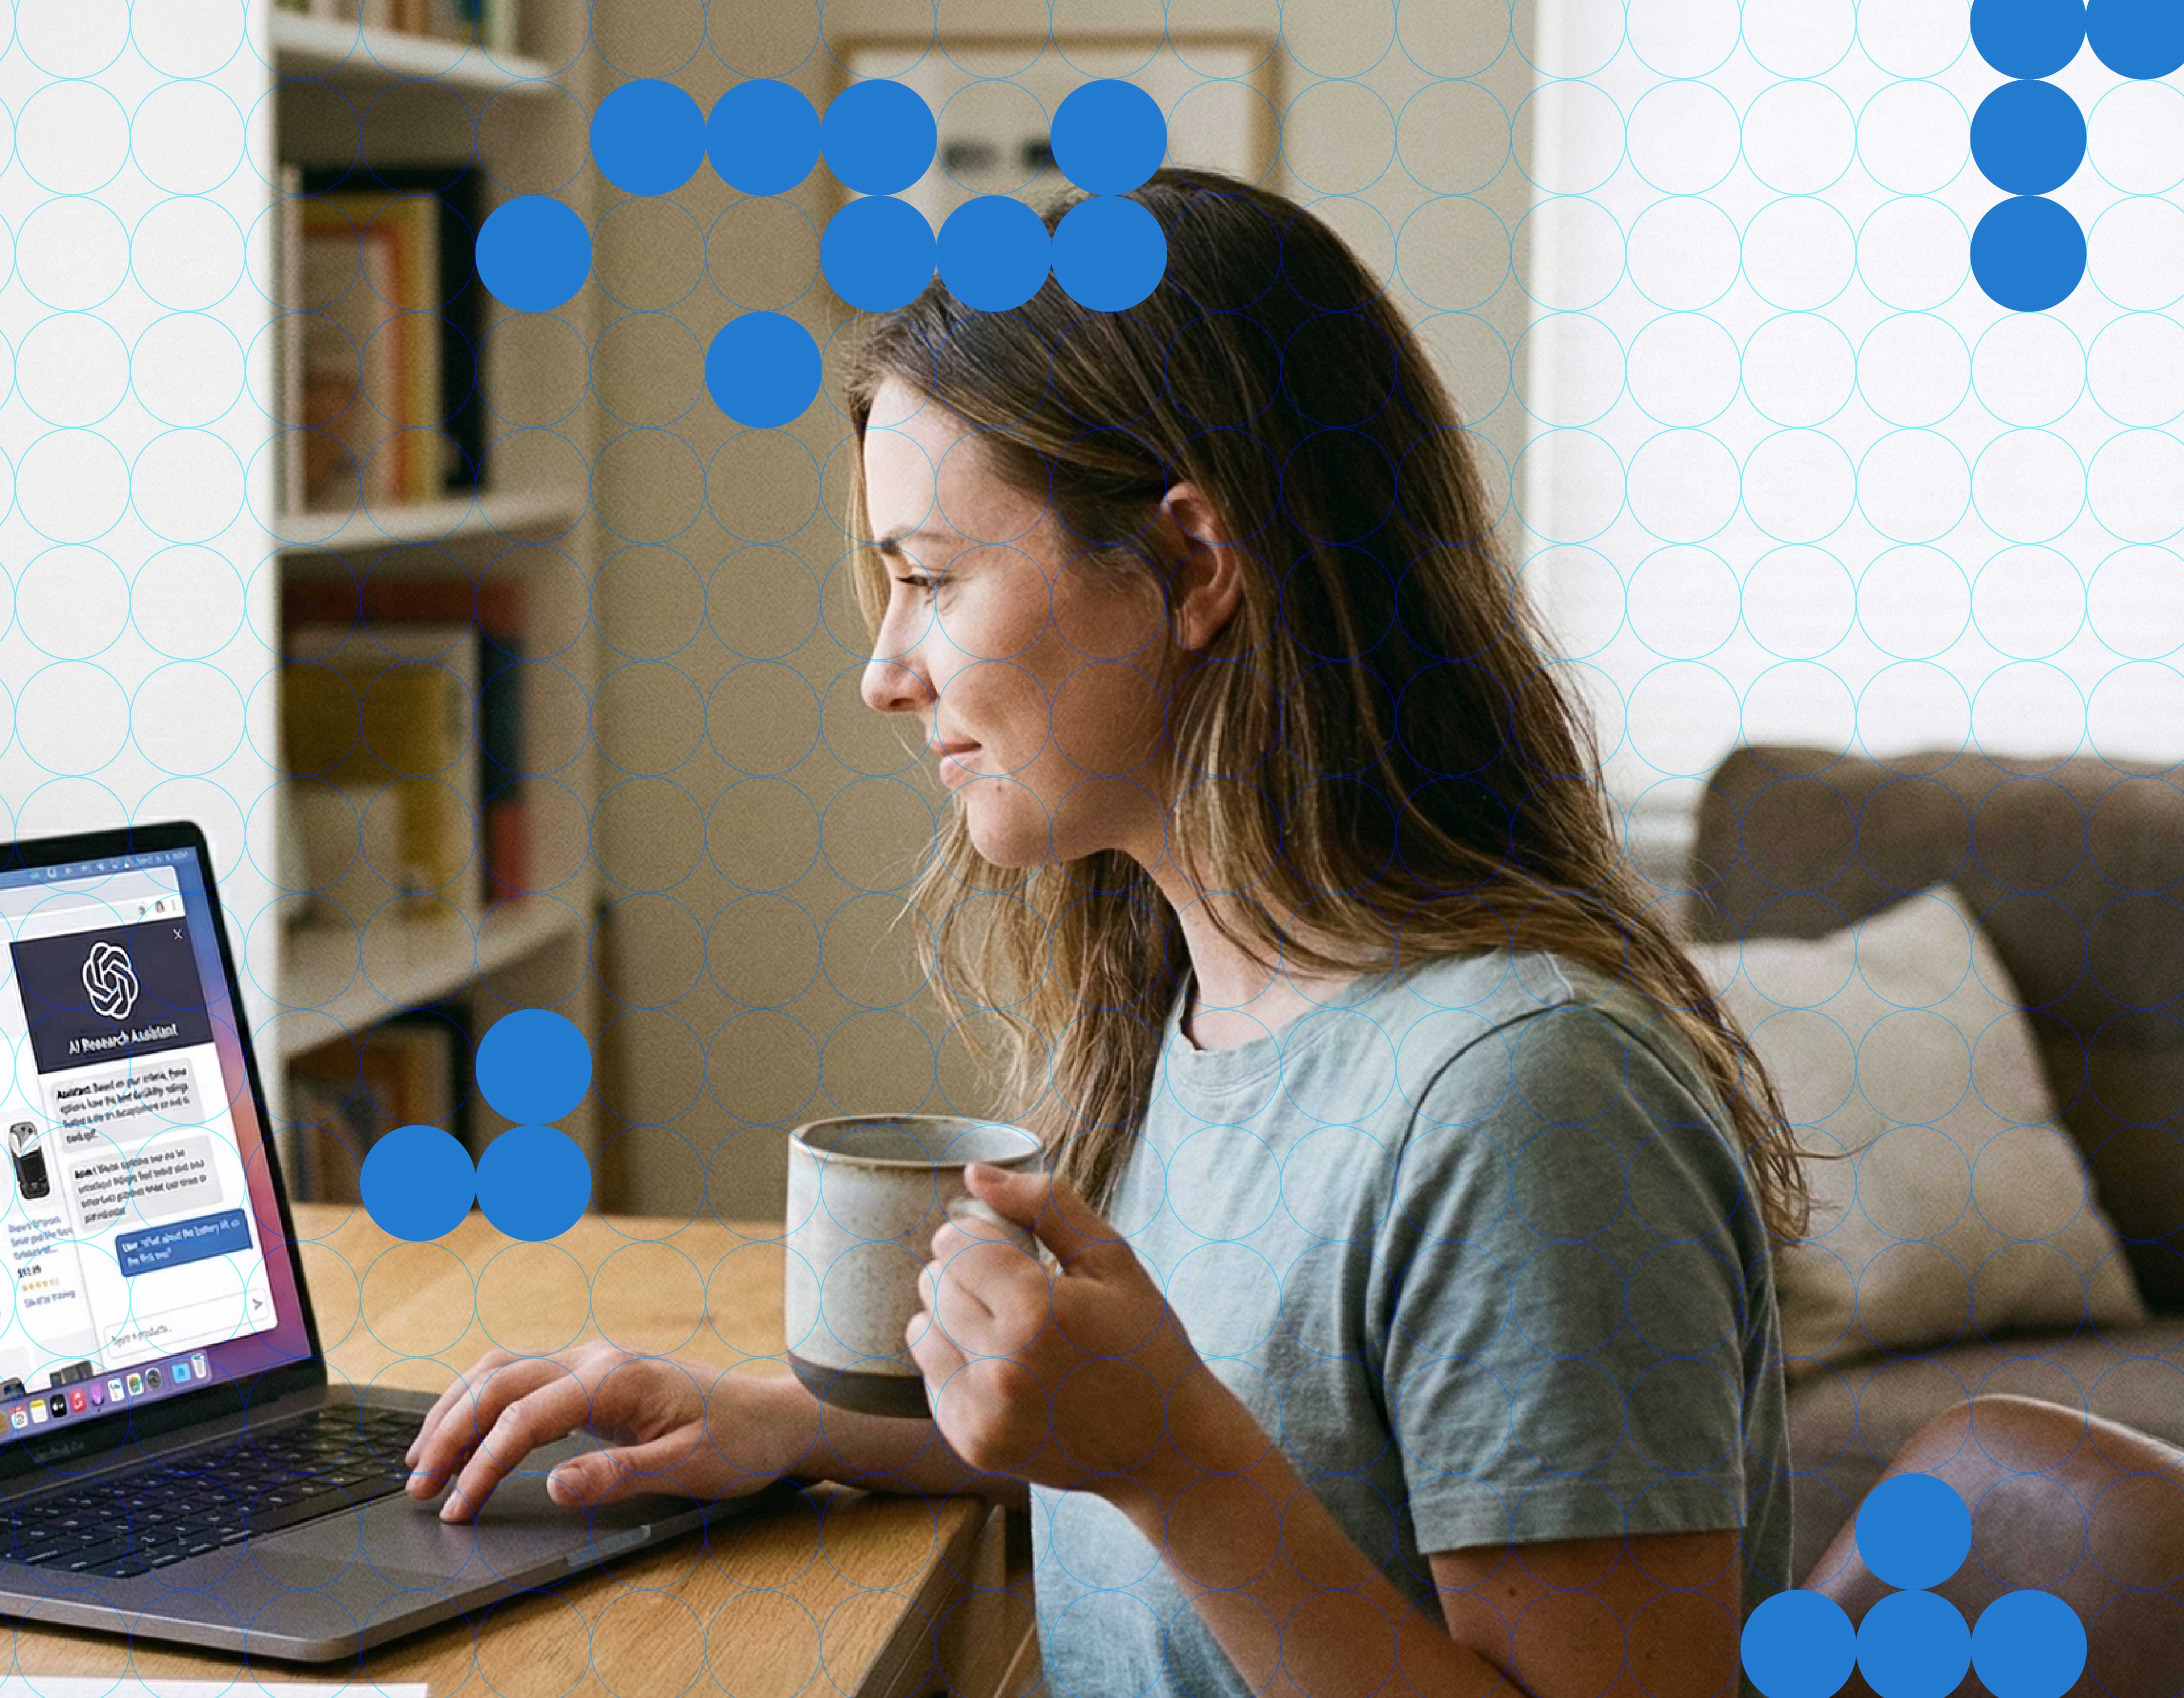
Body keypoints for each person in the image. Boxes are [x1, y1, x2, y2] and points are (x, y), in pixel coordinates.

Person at [402, 169, 1811, 1698]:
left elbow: (1210, 1466)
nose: (885, 672)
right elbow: (1295, 1468)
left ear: (1192, 565)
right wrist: (798, 1424)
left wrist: (1170, 1461)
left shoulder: (1529, 1105)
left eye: (931, 579)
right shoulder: (1203, 1004)